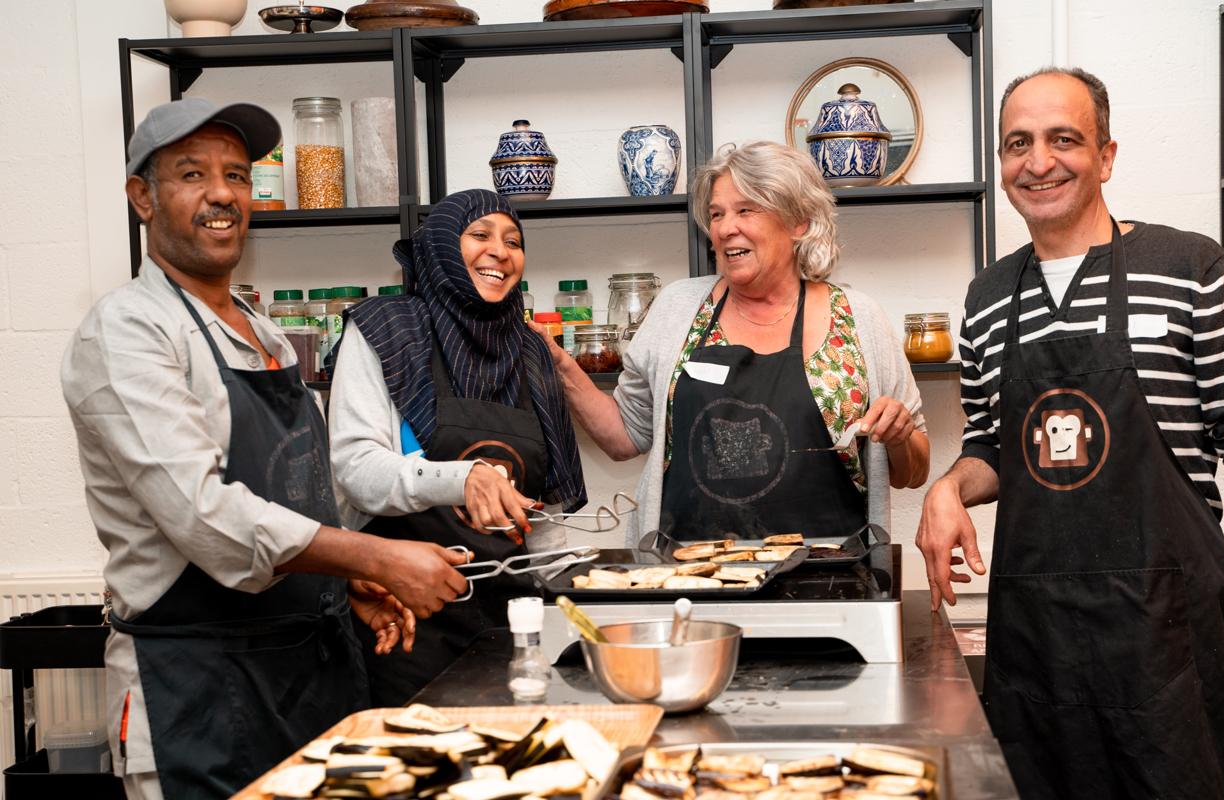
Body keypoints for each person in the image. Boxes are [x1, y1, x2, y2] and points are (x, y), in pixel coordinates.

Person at [61, 98, 470, 800]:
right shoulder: (126, 332)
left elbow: (296, 488)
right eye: (193, 173)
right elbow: (206, 517)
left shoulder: (263, 330)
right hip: (197, 693)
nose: (222, 193)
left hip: (307, 680)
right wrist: (373, 556)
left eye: (237, 175)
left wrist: (338, 584)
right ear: (142, 198)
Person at [916, 67, 1224, 798]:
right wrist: (949, 487)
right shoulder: (988, 297)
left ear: (1106, 156)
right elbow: (992, 442)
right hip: (1039, 640)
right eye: (1018, 143)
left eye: (1064, 139)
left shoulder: (1189, 267)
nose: (1038, 161)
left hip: (1169, 637)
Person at [536, 141, 929, 546]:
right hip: (688, 568)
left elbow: (913, 473)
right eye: (716, 214)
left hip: (831, 569)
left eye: (745, 210)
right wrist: (559, 365)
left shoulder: (858, 318)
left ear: (798, 222)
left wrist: (900, 436)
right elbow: (625, 436)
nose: (725, 229)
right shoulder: (676, 308)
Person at [327, 189, 586, 706]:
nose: (500, 252)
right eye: (480, 235)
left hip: (509, 627)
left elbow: (543, 516)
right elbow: (357, 470)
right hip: (402, 620)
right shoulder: (387, 329)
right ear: (443, 245)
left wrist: (579, 605)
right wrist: (463, 477)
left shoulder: (530, 350)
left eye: (513, 241)